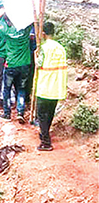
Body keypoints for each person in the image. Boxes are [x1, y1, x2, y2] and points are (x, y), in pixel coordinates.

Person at [35, 21, 67, 151]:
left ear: (43, 34)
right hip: (57, 87)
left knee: (41, 114)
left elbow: (39, 64)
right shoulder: (61, 48)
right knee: (49, 114)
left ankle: (46, 142)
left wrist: (35, 56)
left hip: (45, 86)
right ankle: (44, 133)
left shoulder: (43, 48)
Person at [0, 15, 33, 123]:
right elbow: (32, 20)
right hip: (25, 65)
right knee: (21, 89)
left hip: (11, 65)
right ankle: (20, 112)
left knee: (6, 89)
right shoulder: (25, 31)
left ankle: (7, 113)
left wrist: (2, 13)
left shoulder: (7, 31)